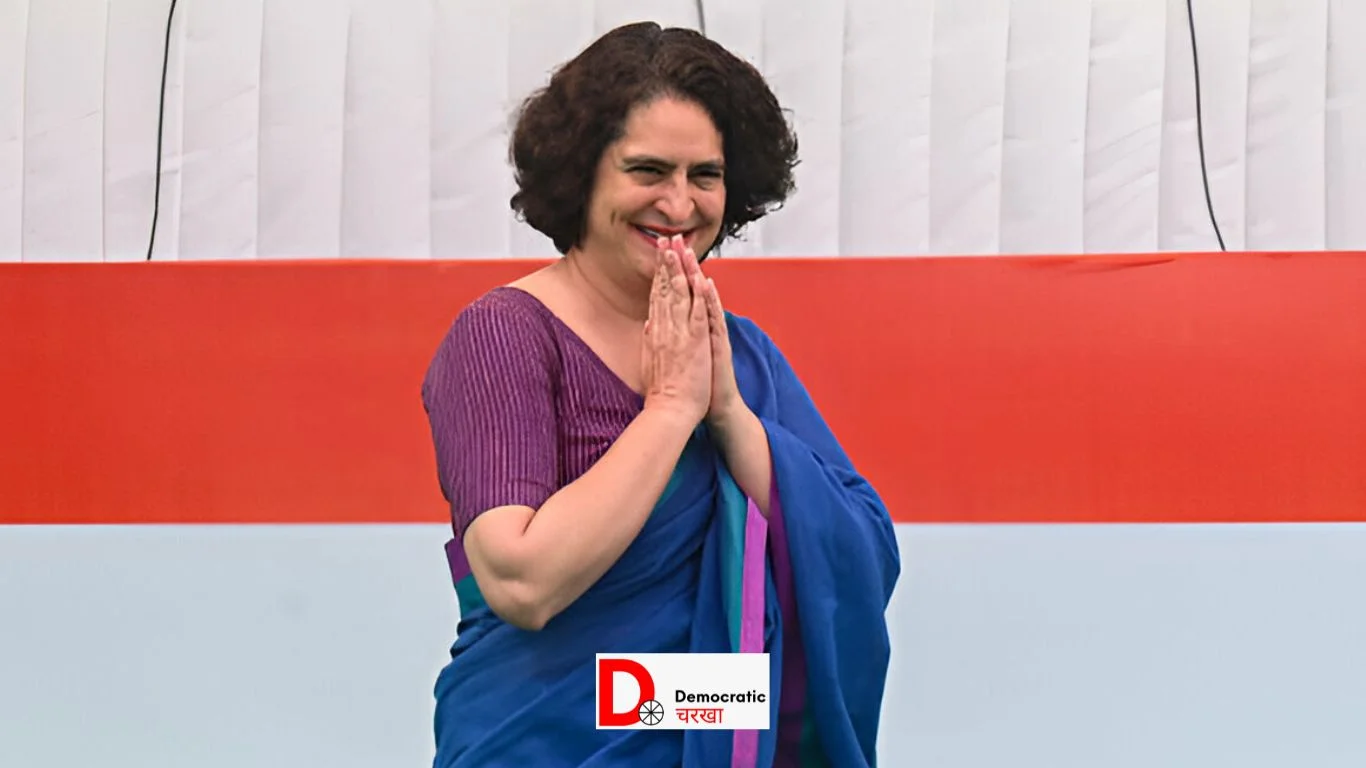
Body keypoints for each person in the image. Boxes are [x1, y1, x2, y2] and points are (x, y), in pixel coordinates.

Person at [420, 21, 900, 768]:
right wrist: (672, 409)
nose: (678, 205)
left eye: (705, 175)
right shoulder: (502, 336)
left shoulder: (740, 356)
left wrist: (729, 415)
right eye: (648, 170)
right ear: (583, 174)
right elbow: (521, 582)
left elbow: (861, 553)